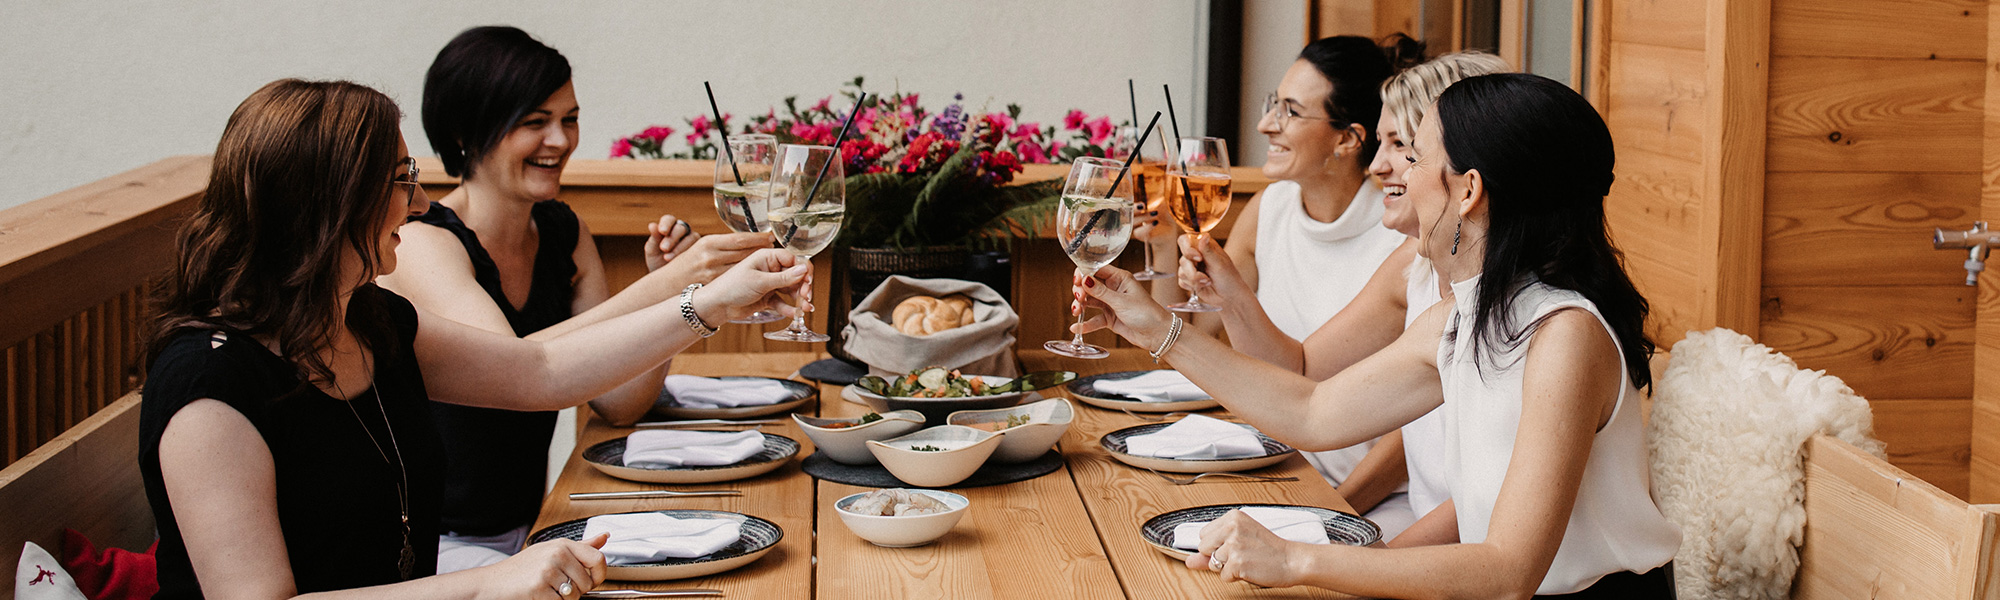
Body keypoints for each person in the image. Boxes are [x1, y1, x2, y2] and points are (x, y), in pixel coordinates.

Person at [140, 79, 808, 599]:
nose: (424, 204)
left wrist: (711, 304)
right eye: (402, 181)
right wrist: (490, 581)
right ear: (331, 202)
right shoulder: (210, 387)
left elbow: (538, 369)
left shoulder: (368, 319)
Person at [1074, 73, 1679, 597]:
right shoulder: (1464, 316)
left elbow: (1507, 572)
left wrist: (1296, 559)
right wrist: (1156, 327)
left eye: (1414, 157)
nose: (1395, 174)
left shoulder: (1565, 334)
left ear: (1467, 191)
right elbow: (1312, 410)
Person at [374, 26, 771, 573]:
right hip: (436, 550)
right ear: (466, 132)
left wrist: (676, 292)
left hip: (538, 525)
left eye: (570, 119)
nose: (560, 141)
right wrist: (669, 287)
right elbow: (515, 369)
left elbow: (620, 402)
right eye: (535, 122)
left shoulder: (562, 231)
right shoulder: (423, 241)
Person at [1174, 51, 1511, 544]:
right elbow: (1305, 379)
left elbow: (1488, 520)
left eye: (1405, 146)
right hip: (1430, 535)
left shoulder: (1525, 311)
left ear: (1467, 172)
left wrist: (1339, 553)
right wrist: (1224, 296)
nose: (1377, 166)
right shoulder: (1415, 269)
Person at [1132, 35, 1416, 521]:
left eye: (1289, 111)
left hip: (1371, 498)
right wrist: (1162, 250)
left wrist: (1330, 515)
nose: (1266, 124)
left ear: (1348, 138)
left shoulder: (1400, 235)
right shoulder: (1271, 209)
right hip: (1274, 462)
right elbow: (1198, 339)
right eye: (1272, 105)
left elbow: (1412, 436)